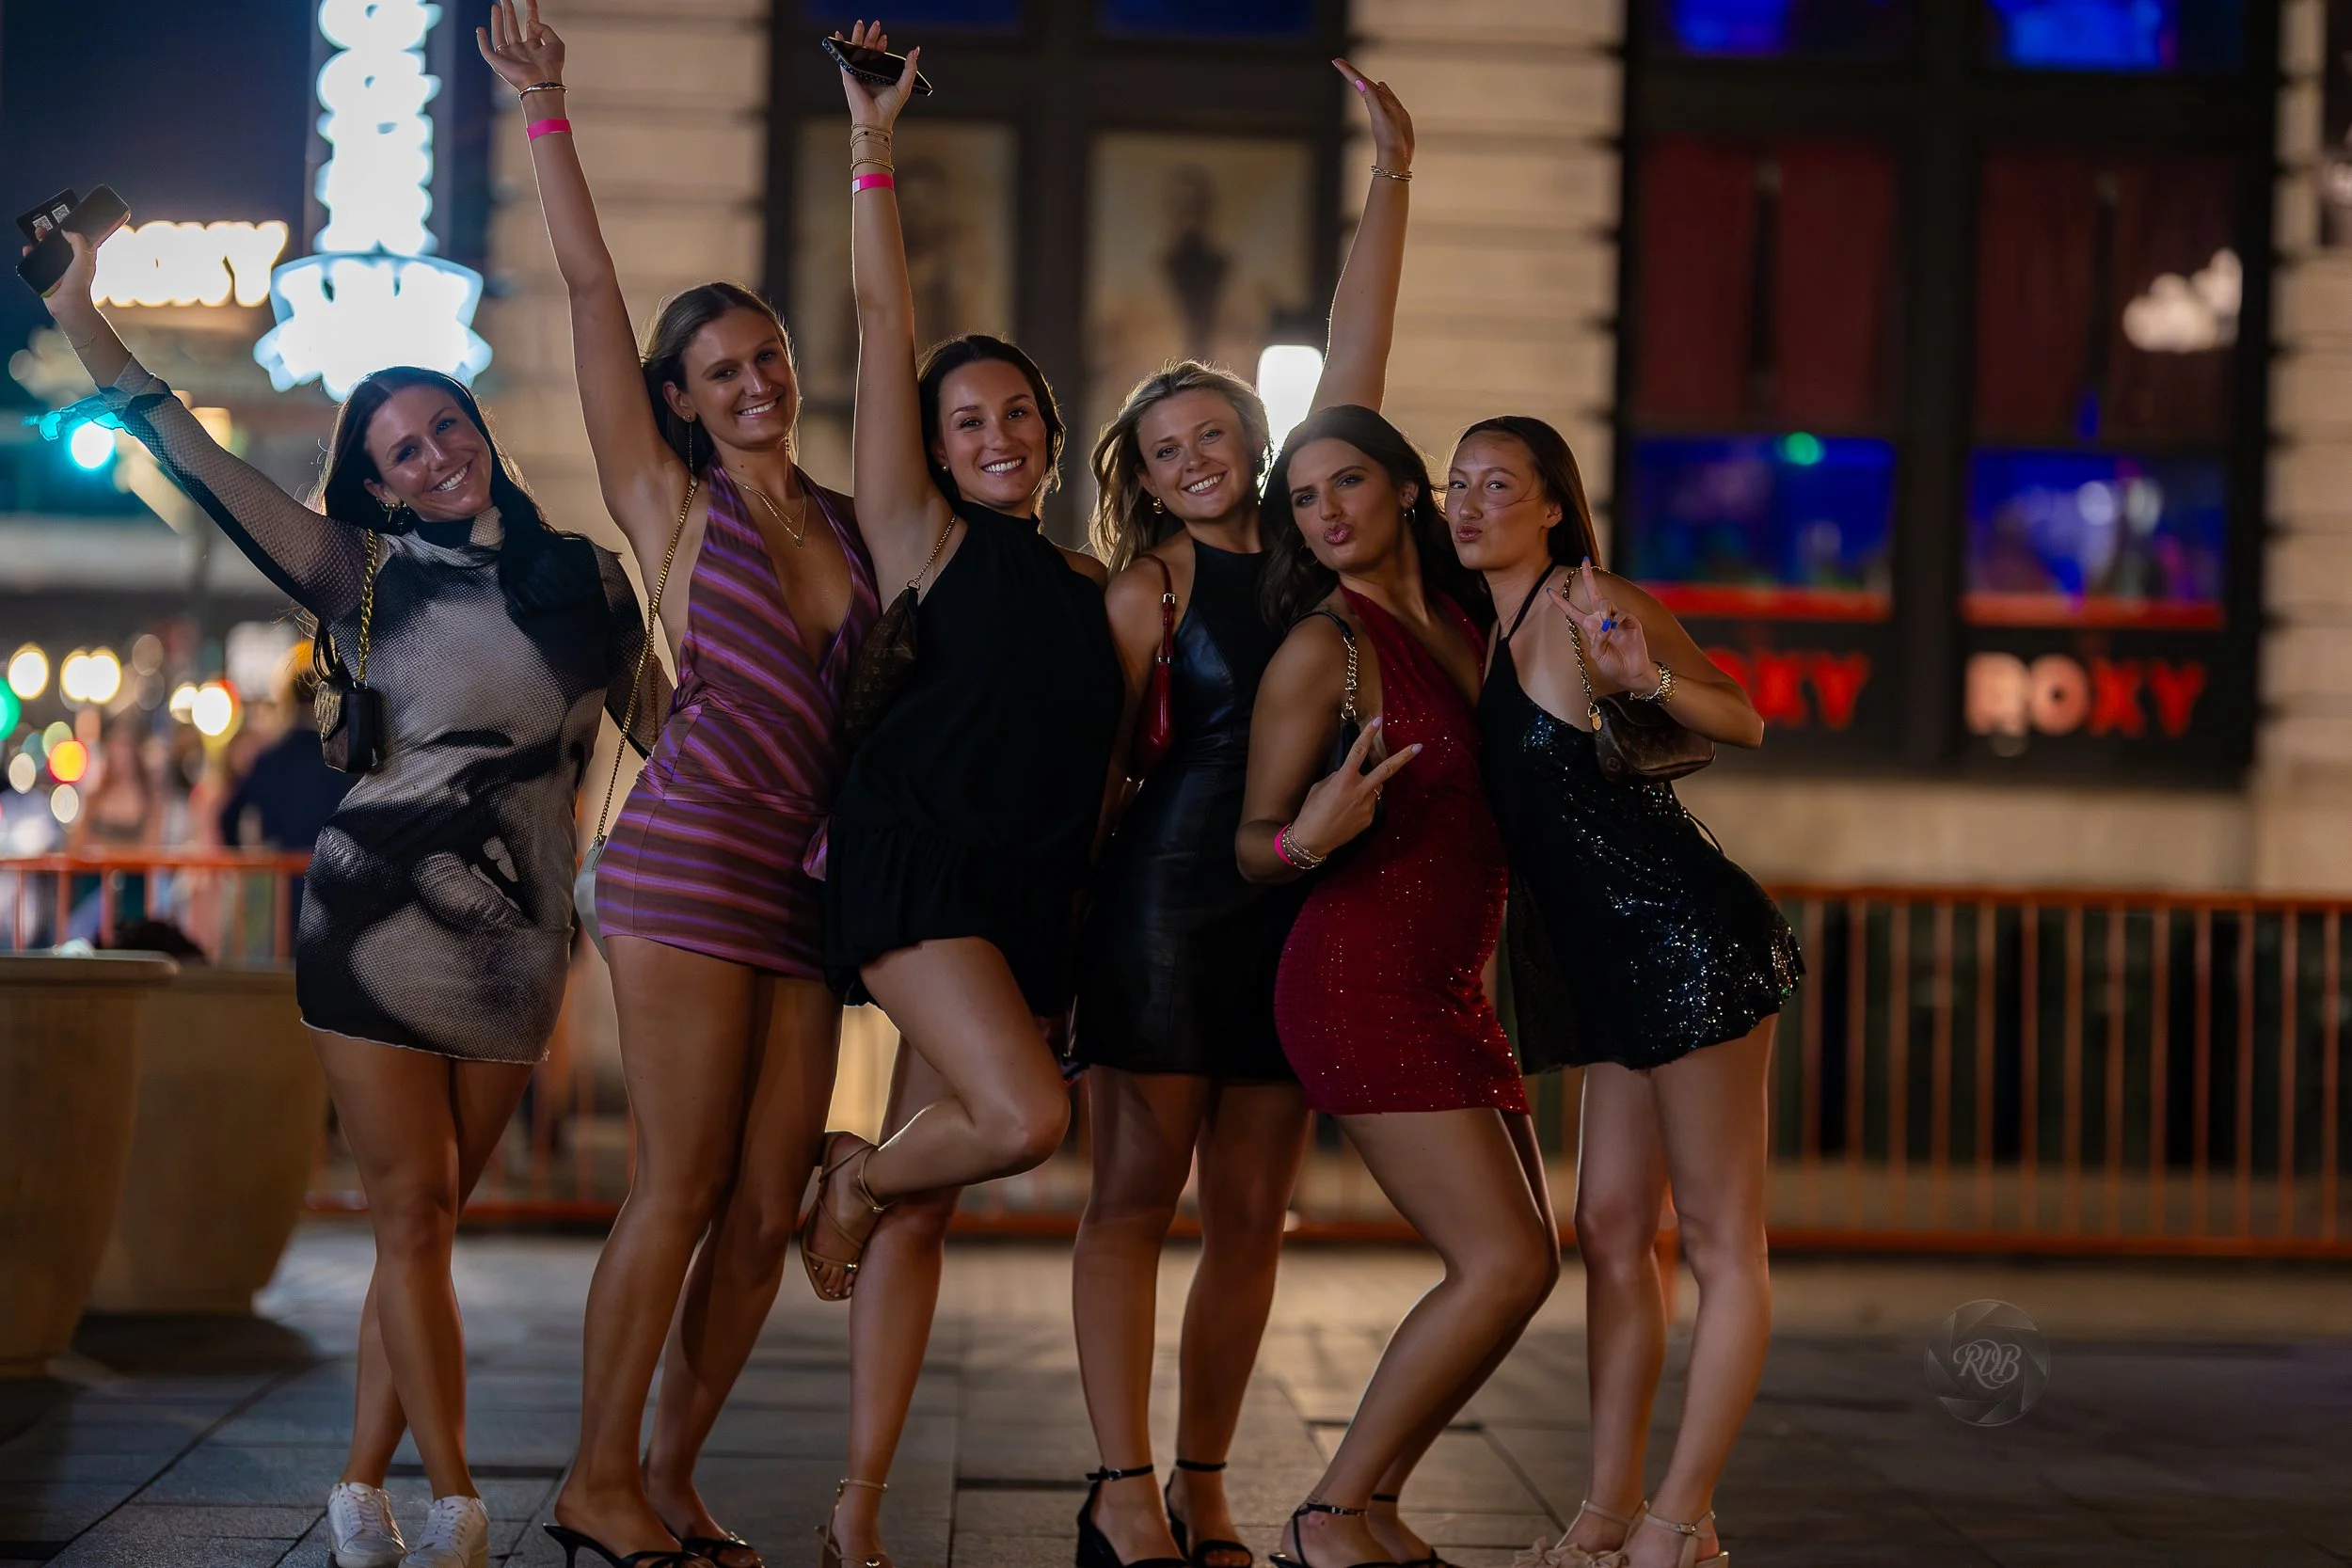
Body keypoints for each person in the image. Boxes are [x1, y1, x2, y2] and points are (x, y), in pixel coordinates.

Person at [37, 230, 664, 1568]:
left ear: (478, 426)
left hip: (518, 945)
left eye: (448, 427)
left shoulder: (591, 584)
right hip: (371, 930)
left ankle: (360, 1479)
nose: (437, 455)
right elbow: (190, 459)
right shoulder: (362, 577)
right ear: (373, 482)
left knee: (422, 1232)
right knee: (412, 1215)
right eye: (403, 452)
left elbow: (678, 732)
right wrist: (78, 312)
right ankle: (458, 1498)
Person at [479, 7, 880, 1564]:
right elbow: (591, 288)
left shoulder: (850, 521)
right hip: (688, 859)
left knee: (770, 1199)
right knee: (683, 1177)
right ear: (687, 397)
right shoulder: (676, 499)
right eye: (721, 368)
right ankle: (593, 1479)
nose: (755, 379)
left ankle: (668, 1469)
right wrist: (550, 110)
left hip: (807, 877)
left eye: (768, 353)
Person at [1068, 63, 1417, 1568]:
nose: (1196, 458)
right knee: (1133, 1196)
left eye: (1216, 435)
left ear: (1256, 447)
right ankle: (1119, 1484)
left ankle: (1208, 1479)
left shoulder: (1310, 540)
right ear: (1142, 480)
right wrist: (1052, 941)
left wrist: (1392, 174)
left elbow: (1359, 352)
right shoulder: (1145, 591)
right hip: (1160, 904)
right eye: (1166, 449)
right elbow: (1095, 777)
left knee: (1256, 1216)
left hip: (1298, 899)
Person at [803, 24, 1124, 1568]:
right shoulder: (923, 542)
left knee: (946, 1199)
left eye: (1017, 418)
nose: (995, 435)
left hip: (1023, 908)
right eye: (965, 421)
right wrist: (876, 144)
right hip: (915, 867)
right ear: (934, 453)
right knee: (1021, 1118)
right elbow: (880, 321)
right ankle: (853, 1173)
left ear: (1054, 441)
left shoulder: (1105, 590)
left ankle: (856, 1510)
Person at [1445, 418, 1798, 1568]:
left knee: (1719, 1243)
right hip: (1601, 964)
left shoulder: (1584, 600)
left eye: (1498, 483)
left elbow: (1742, 716)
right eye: (1456, 482)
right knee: (1606, 1227)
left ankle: (1680, 1517)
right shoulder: (1484, 632)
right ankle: (1606, 1505)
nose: (1468, 500)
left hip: (1691, 940)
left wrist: (1644, 676)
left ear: (1553, 504)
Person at [1236, 404, 1559, 1568]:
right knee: (1503, 1260)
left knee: (1531, 1263)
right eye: (1305, 498)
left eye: (1348, 485)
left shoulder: (1472, 616)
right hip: (1358, 974)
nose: (1326, 513)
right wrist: (1308, 835)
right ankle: (1330, 1509)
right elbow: (1250, 840)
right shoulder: (1327, 646)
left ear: (1407, 491)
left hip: (1452, 980)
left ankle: (1370, 1504)